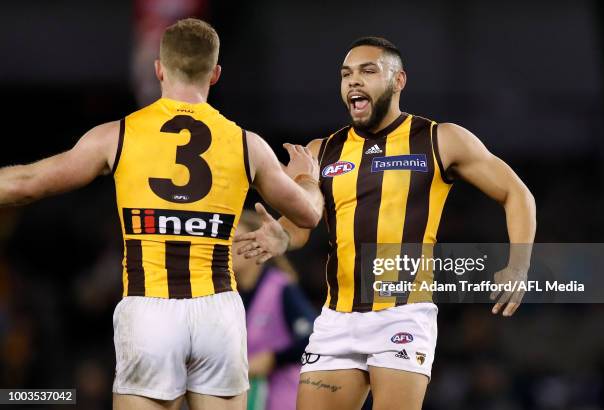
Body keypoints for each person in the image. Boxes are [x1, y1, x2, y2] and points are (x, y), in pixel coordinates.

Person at [0, 18, 323, 410]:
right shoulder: (246, 144)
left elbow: (27, 183)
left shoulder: (118, 135)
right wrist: (307, 177)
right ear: (215, 74)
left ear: (158, 68)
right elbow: (307, 214)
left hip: (150, 307)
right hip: (217, 311)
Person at [235, 36, 536, 410]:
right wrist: (281, 237)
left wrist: (519, 265)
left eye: (367, 71)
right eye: (346, 75)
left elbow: (516, 194)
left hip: (402, 316)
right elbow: (301, 225)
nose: (353, 81)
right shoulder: (320, 152)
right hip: (337, 320)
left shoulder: (440, 139)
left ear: (398, 81)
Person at [232, 210, 316, 410]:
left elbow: (312, 337)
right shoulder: (229, 295)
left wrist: (273, 358)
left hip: (283, 396)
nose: (229, 249)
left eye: (236, 242)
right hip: (246, 398)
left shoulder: (281, 287)